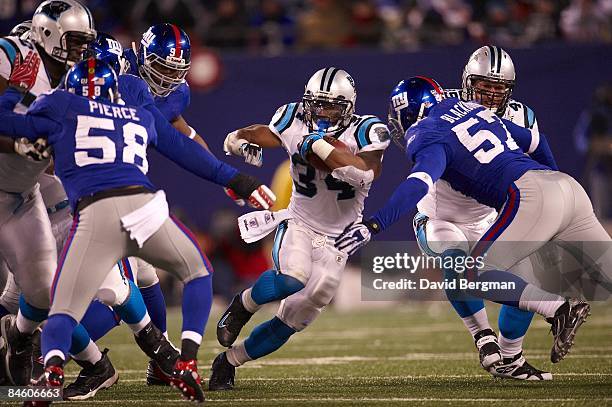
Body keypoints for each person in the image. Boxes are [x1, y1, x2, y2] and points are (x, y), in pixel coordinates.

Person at [0, 57, 275, 404]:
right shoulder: (138, 110)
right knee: (197, 273)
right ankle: (185, 359)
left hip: (93, 213)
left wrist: (15, 91)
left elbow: (6, 122)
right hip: (144, 207)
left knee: (62, 309)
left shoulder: (59, 106)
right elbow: (184, 150)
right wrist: (237, 179)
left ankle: (52, 369)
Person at [336, 76, 609, 365]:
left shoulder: (426, 132)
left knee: (471, 275)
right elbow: (537, 141)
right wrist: (554, 187)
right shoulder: (471, 108)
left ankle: (559, 309)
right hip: (566, 186)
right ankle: (512, 350)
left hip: (530, 196)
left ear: (409, 113)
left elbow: (418, 183)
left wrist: (374, 224)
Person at [209, 67, 391, 390]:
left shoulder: (367, 130)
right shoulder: (293, 118)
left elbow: (364, 173)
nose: (321, 113)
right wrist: (238, 138)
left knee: (292, 321)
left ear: (348, 108)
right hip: (300, 223)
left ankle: (229, 361)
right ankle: (243, 305)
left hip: (339, 241)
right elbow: (263, 132)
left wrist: (319, 147)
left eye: (330, 107)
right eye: (316, 104)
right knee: (293, 276)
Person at [413, 46, 553, 379]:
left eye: (499, 87)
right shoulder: (439, 104)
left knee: (530, 274)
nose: (491, 93)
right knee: (455, 255)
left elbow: (533, 168)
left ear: (510, 90)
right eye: (483, 85)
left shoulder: (522, 117)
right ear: (466, 81)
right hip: (439, 214)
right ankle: (483, 337)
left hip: (489, 216)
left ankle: (510, 358)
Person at [0, 0, 96, 386]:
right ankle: (94, 363)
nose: (81, 49)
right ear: (48, 34)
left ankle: (20, 344)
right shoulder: (14, 55)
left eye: (84, 41)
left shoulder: (79, 80)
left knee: (42, 292)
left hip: (19, 195)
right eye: (75, 40)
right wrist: (19, 144)